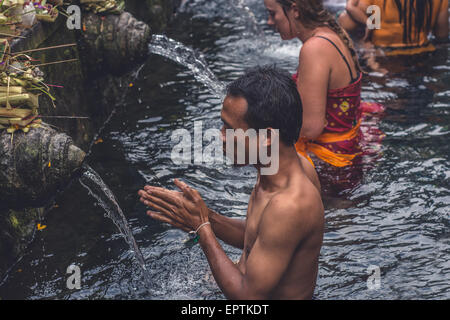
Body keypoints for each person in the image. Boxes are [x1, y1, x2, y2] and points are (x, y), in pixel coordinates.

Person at [138, 66, 324, 300]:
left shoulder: (289, 205)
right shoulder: (282, 168)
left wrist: (202, 229)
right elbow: (258, 235)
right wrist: (206, 216)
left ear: (266, 138)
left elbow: (247, 298)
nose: (221, 136)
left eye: (230, 128)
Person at [264, 0, 384, 194]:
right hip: (346, 155)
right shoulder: (333, 33)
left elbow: (310, 128)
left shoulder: (314, 49)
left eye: (272, 13)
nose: (270, 22)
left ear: (294, 10)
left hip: (328, 164)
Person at [338, 0, 449, 56]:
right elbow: (441, 35)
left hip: (381, 56)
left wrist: (367, 29)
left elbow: (346, 23)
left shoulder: (366, 4)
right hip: (423, 54)